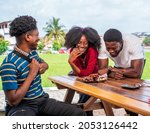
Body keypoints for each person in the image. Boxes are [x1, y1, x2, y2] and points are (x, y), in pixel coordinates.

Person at [0, 15, 86, 116]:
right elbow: (13, 101)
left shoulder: (32, 53)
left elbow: (44, 64)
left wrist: (43, 66)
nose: (39, 38)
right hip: (22, 106)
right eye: (37, 35)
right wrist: (31, 74)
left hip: (42, 101)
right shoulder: (9, 64)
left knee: (78, 113)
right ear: (28, 37)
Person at [98, 28, 145, 115]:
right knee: (116, 88)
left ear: (121, 42)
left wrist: (112, 70)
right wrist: (111, 74)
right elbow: (102, 71)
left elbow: (136, 72)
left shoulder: (133, 42)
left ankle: (132, 115)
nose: (111, 50)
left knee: (131, 92)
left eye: (114, 48)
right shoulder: (102, 45)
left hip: (133, 66)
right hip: (118, 66)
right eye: (108, 48)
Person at [64, 26, 101, 115]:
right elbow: (79, 72)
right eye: (79, 42)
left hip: (95, 82)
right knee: (85, 105)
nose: (82, 46)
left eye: (85, 43)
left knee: (84, 104)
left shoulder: (92, 51)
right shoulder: (73, 51)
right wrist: (72, 63)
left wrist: (70, 62)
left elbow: (87, 73)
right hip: (83, 81)